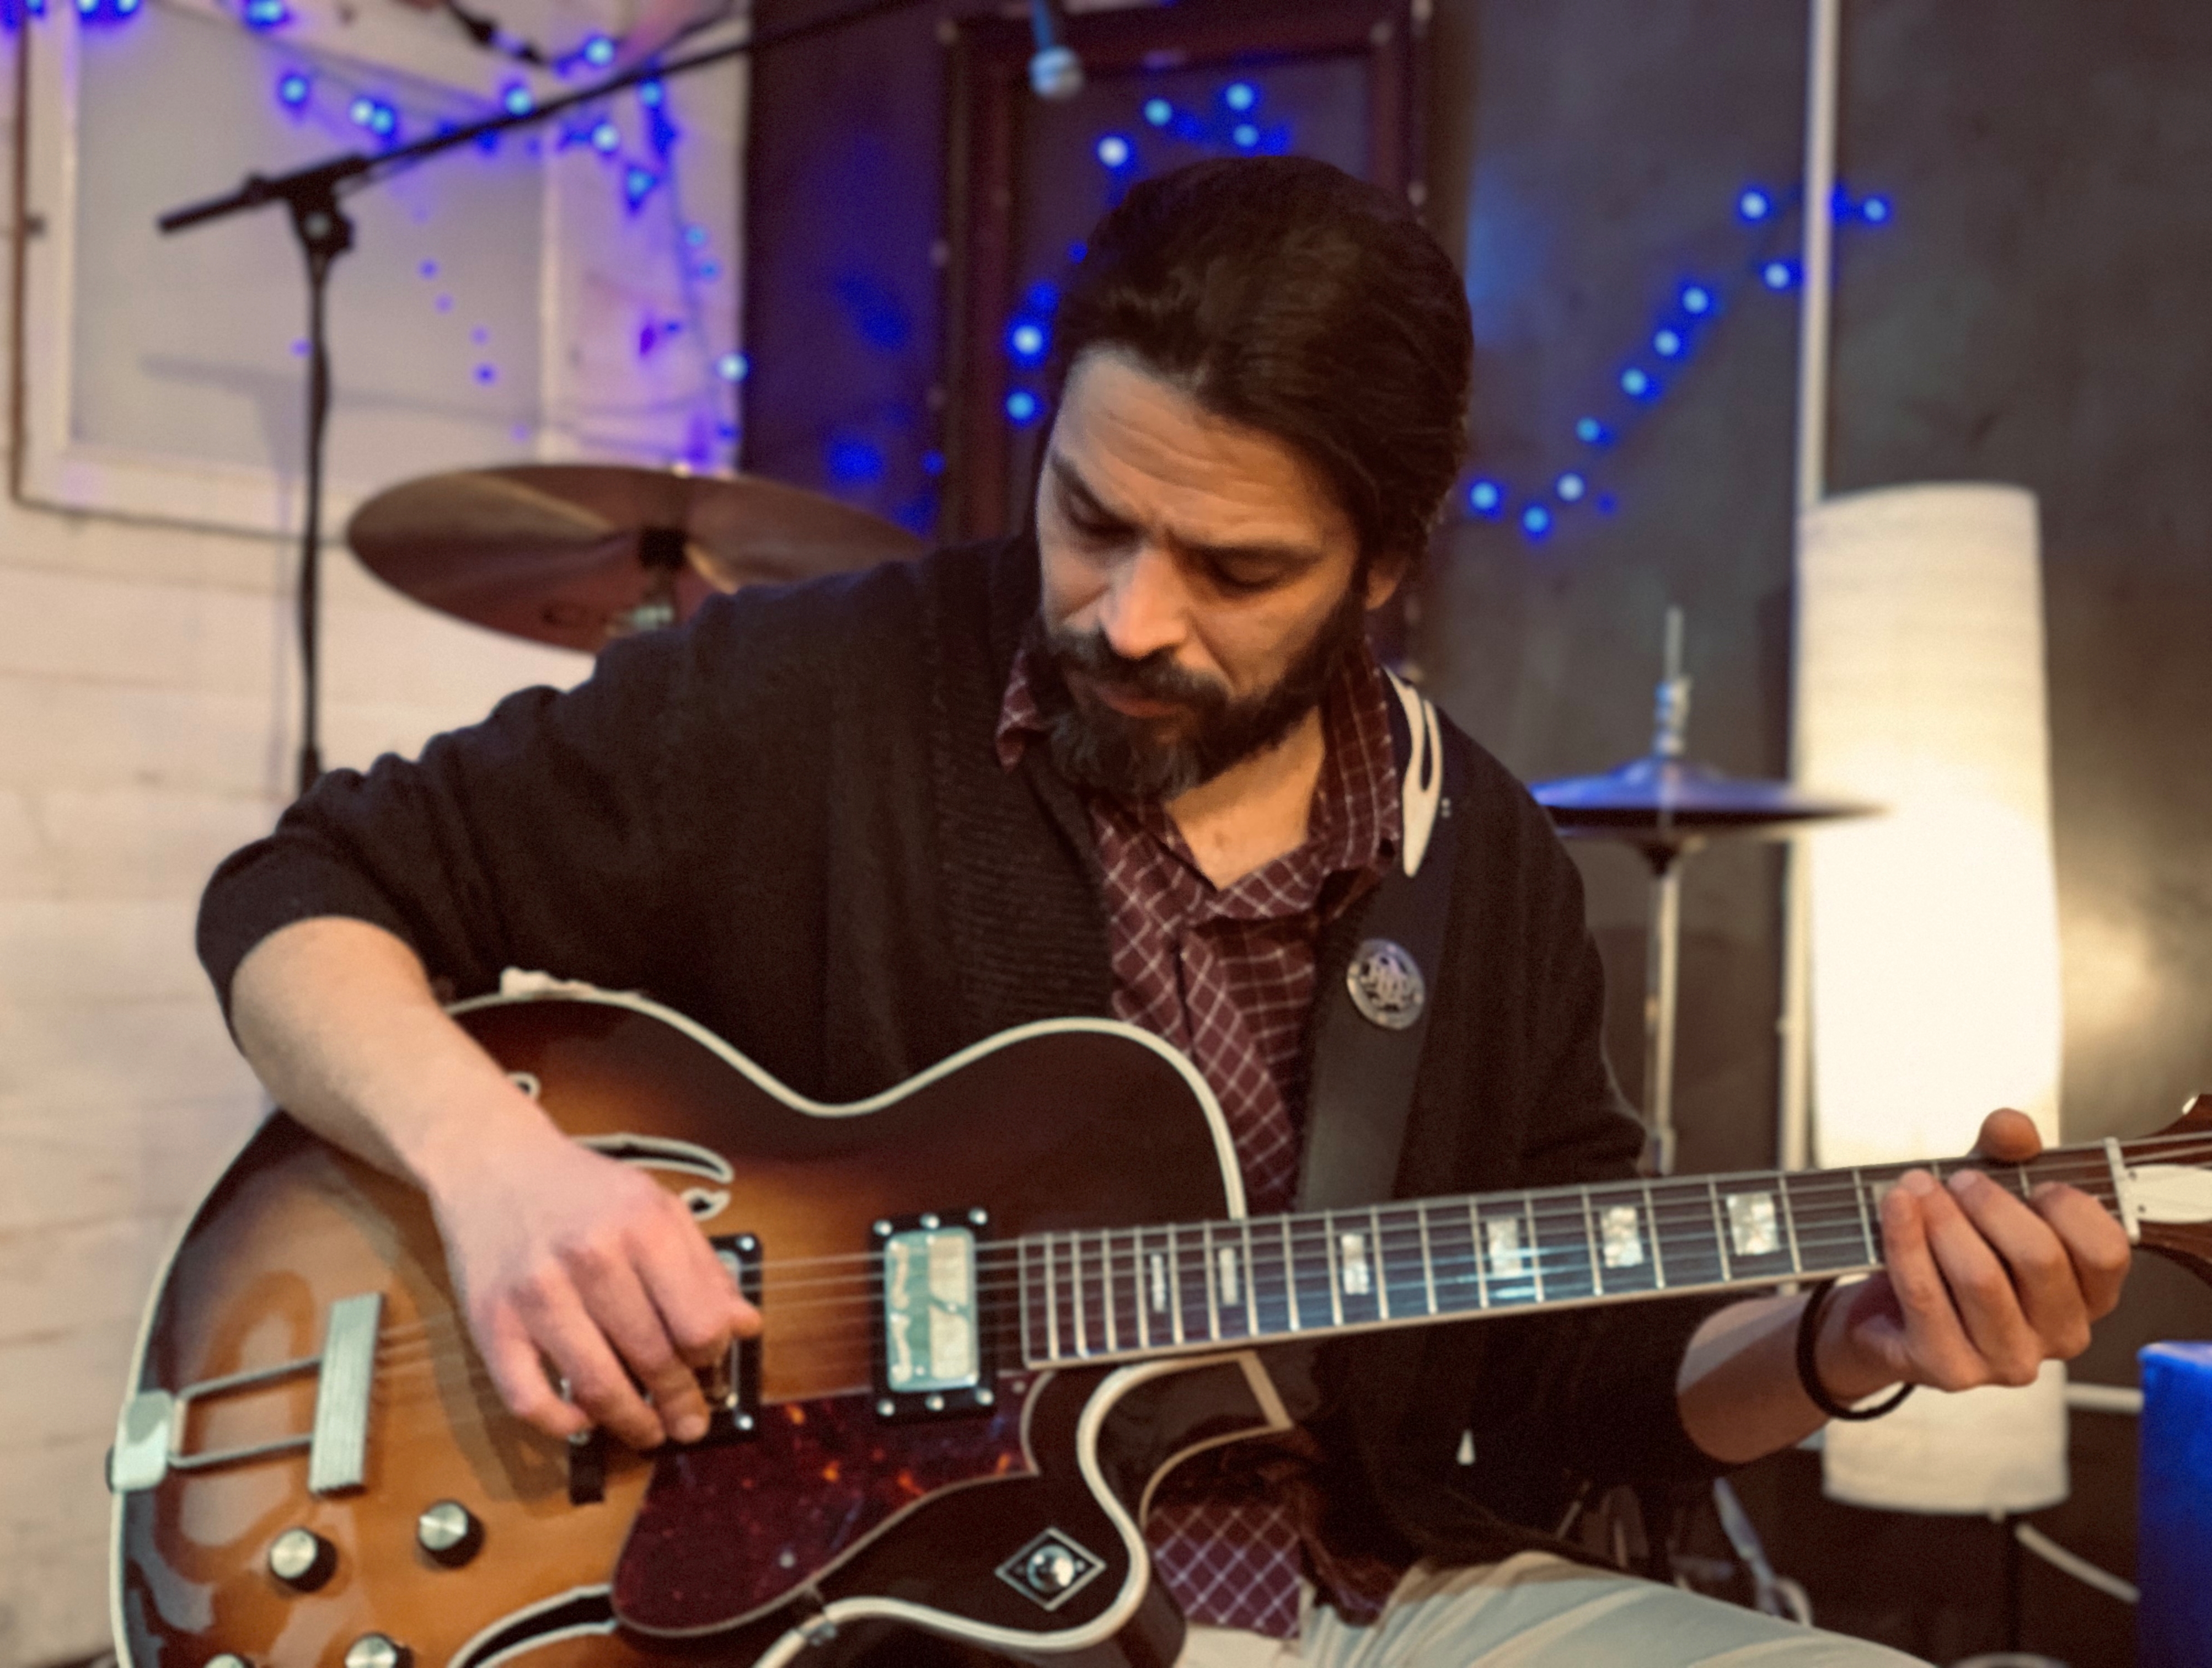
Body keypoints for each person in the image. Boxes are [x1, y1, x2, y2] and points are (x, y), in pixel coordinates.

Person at [197, 158, 2131, 1668]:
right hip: (908, 1612)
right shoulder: (809, 696)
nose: (1128, 616)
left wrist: (1846, 1333)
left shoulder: (1479, 858)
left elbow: (1573, 1399)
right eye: (1091, 517)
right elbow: (302, 890)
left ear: (1383, 566)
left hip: (1375, 1593)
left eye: (1232, 568)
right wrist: (496, 1171)